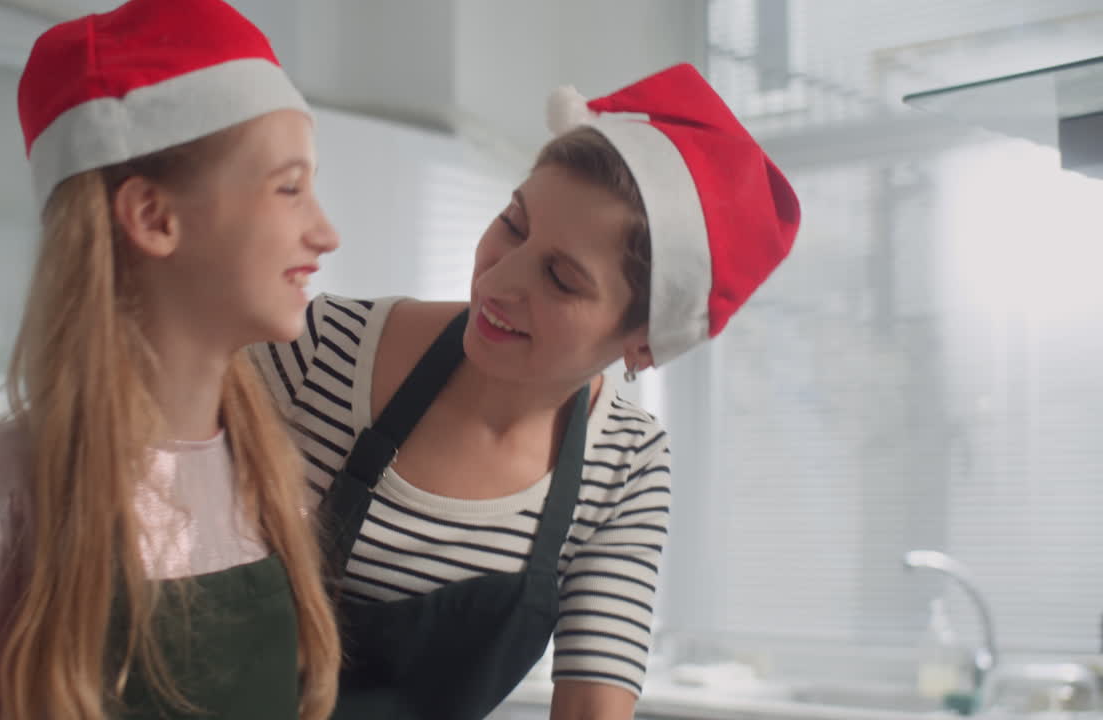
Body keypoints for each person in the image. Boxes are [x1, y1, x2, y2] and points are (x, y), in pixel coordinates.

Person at [249, 64, 801, 719]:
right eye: (514, 222)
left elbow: (591, 709)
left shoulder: (626, 464)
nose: (499, 281)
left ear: (643, 343)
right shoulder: (318, 348)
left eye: (562, 279)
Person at [0, 0, 342, 718]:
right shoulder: (2, 491)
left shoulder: (274, 485)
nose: (325, 231)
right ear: (153, 218)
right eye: (289, 187)